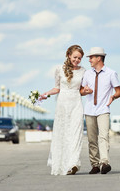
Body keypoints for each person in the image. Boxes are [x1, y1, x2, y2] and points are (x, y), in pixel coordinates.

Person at [40, 44, 87, 175]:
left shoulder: (83, 71)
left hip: (76, 104)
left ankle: (73, 163)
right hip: (62, 104)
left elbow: (82, 90)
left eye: (79, 58)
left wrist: (86, 91)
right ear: (68, 55)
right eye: (75, 57)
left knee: (76, 133)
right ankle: (62, 164)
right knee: (63, 133)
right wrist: (46, 94)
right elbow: (57, 88)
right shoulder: (59, 69)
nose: (77, 60)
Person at [80, 47, 120, 175]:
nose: (89, 60)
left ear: (99, 58)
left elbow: (119, 92)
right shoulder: (87, 73)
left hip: (103, 109)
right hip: (89, 110)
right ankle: (95, 165)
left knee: (103, 136)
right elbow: (81, 91)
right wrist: (85, 91)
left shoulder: (111, 73)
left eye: (91, 57)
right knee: (92, 139)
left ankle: (104, 163)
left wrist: (113, 97)